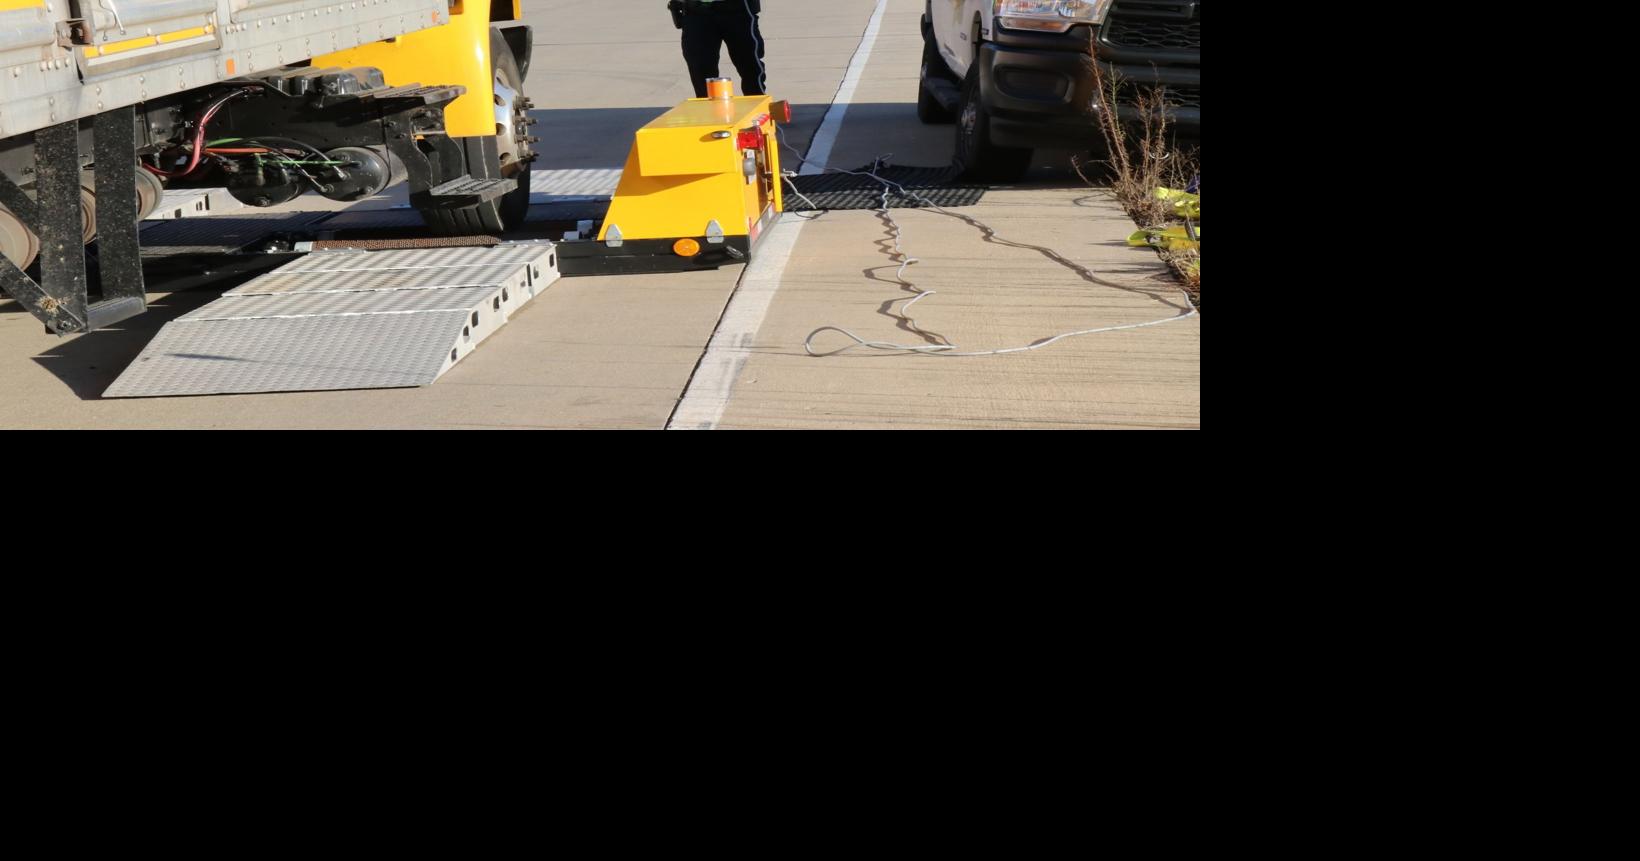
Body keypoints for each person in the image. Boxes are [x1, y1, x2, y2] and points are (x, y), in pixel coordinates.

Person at [669, 0, 766, 99]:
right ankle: (708, 110)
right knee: (700, 69)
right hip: (696, 11)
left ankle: (757, 106)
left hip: (737, 9)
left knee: (750, 64)